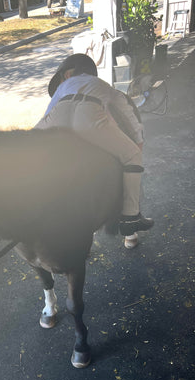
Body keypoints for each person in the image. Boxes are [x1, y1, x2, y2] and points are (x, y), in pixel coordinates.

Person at [35, 53, 154, 243]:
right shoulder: (103, 85)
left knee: (33, 151)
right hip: (89, 115)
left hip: (59, 115)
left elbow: (48, 113)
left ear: (67, 74)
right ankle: (130, 218)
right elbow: (126, 111)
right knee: (132, 156)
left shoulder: (64, 87)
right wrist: (137, 142)